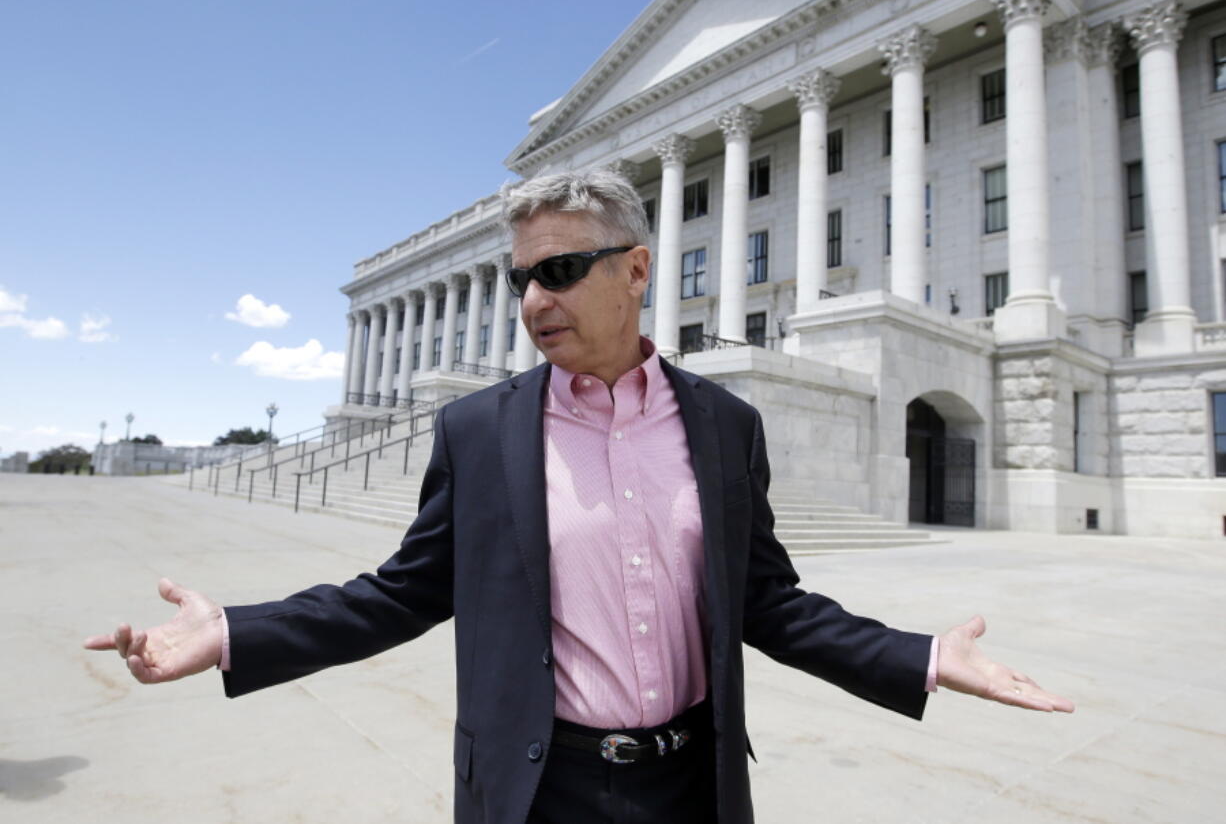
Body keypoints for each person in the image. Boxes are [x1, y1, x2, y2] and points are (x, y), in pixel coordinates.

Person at [85, 169, 1073, 824]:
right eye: (522, 277)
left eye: (558, 271)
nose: (530, 301)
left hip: (693, 783)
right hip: (536, 787)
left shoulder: (725, 425)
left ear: (636, 271)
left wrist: (922, 655)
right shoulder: (478, 430)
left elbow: (766, 600)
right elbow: (402, 590)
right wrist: (236, 632)